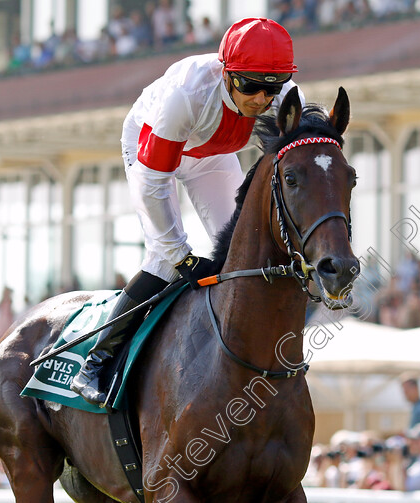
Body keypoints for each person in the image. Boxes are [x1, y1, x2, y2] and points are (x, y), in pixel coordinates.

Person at [70, 18, 303, 406]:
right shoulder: (187, 95)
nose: (262, 99)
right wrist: (182, 257)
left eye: (272, 87)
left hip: (211, 154)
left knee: (241, 249)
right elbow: (153, 185)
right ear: (227, 73)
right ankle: (95, 361)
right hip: (152, 147)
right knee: (163, 259)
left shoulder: (284, 94)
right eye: (250, 85)